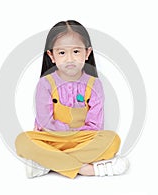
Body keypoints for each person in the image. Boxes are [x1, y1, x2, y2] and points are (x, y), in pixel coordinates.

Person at [15, 20, 129, 179]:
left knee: (112, 140)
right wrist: (64, 134)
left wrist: (74, 135)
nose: (70, 59)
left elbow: (95, 125)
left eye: (76, 51)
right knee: (22, 141)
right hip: (52, 138)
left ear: (87, 53)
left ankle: (48, 163)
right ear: (51, 55)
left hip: (81, 139)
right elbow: (44, 122)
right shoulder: (45, 84)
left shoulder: (94, 84)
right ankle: (87, 169)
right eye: (62, 52)